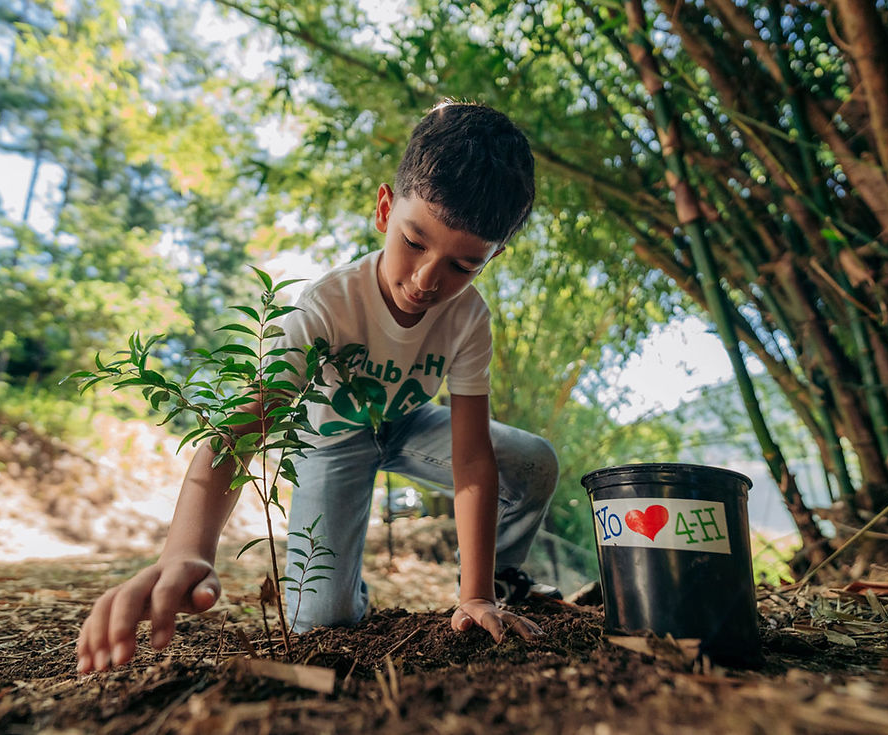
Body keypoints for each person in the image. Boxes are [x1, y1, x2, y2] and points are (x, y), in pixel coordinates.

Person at [76, 101, 560, 675]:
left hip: (407, 425)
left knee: (530, 462)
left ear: (491, 258)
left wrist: (474, 592)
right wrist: (186, 551)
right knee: (324, 627)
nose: (428, 280)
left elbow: (472, 454)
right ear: (385, 209)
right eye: (414, 241)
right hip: (329, 437)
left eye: (463, 266)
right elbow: (242, 432)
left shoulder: (469, 319)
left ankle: (495, 590)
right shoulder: (327, 308)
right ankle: (351, 601)